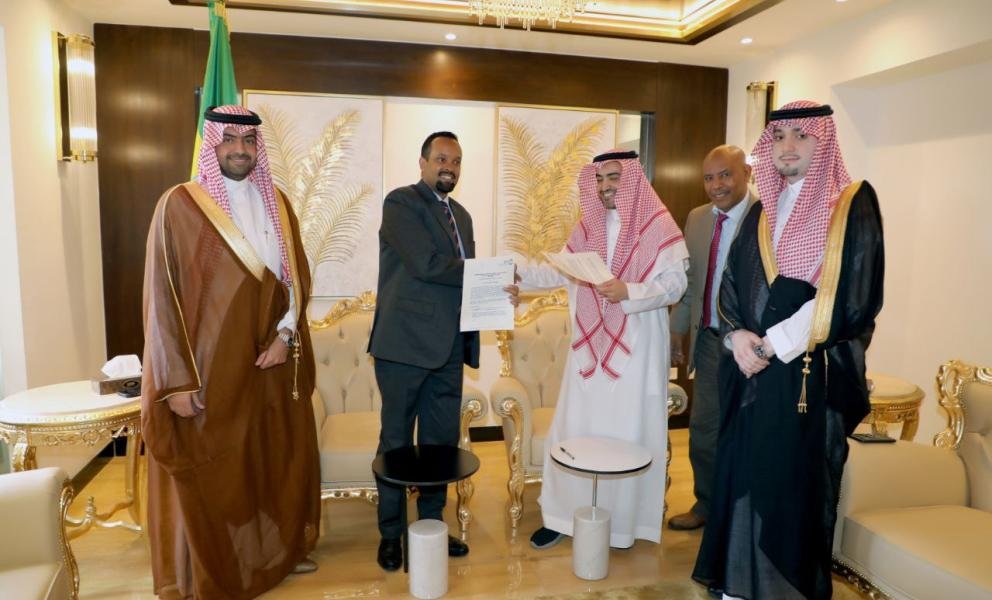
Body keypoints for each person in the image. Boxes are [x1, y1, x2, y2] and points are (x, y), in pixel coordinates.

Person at [692, 101, 885, 600]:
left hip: (807, 374)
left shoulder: (851, 205)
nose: (788, 146)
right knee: (744, 475)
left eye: (801, 135)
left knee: (791, 484)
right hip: (749, 369)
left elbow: (850, 295)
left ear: (824, 141)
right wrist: (736, 337)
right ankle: (738, 585)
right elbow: (731, 282)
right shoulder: (761, 210)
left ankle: (784, 588)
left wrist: (772, 344)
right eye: (778, 137)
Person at [141, 104, 320, 599]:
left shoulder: (277, 201)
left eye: (248, 141)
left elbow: (295, 278)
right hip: (210, 369)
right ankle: (216, 570)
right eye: (229, 140)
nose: (240, 150)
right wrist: (177, 381)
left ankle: (275, 556)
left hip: (271, 361)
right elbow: (162, 299)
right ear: (212, 144)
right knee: (221, 469)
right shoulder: (179, 205)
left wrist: (286, 337)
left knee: (272, 460)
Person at [522, 150, 689, 550]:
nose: (605, 186)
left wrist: (628, 291)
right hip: (587, 353)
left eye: (613, 177)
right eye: (598, 179)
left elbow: (675, 286)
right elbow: (557, 271)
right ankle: (562, 517)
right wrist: (514, 277)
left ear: (632, 179)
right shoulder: (587, 227)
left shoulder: (658, 225)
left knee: (626, 432)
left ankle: (623, 525)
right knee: (574, 429)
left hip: (636, 351)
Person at [367, 131, 518, 571]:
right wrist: (490, 272)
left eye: (455, 161)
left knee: (439, 444)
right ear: (423, 162)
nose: (448, 167)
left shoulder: (462, 216)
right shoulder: (401, 203)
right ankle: (391, 534)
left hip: (449, 348)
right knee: (396, 443)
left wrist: (496, 286)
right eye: (440, 159)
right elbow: (427, 265)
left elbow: (464, 282)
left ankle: (430, 525)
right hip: (403, 348)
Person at [668, 145, 755, 532]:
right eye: (708, 177)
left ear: (746, 174)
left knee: (749, 429)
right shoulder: (698, 219)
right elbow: (691, 281)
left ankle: (743, 513)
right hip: (709, 340)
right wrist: (677, 328)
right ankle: (707, 503)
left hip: (755, 347)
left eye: (725, 175)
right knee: (704, 428)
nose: (716, 185)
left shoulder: (766, 216)